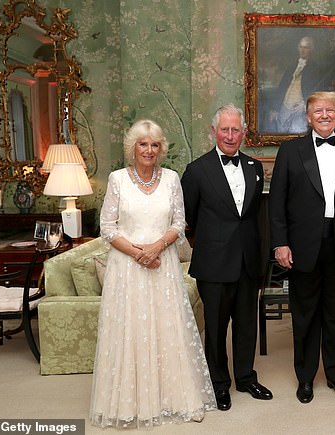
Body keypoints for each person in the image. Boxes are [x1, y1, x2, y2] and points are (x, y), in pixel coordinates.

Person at [90, 120, 216, 428]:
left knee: (167, 329)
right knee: (131, 332)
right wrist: (138, 253)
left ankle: (177, 400)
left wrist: (156, 247)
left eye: (154, 144)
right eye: (143, 144)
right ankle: (130, 404)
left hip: (164, 266)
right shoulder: (117, 179)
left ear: (161, 149)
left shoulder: (172, 179)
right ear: (132, 148)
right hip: (127, 268)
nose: (149, 150)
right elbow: (107, 228)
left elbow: (179, 224)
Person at [269, 91, 335, 404]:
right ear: (308, 116)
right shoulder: (290, 151)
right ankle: (305, 378)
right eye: (318, 110)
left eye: (330, 109)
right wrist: (280, 243)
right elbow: (277, 203)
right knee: (304, 315)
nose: (324, 115)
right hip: (302, 246)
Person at [181, 104, 271, 411]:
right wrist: (211, 244)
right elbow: (188, 217)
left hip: (247, 260)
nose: (230, 136)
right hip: (214, 262)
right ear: (213, 131)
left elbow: (254, 215)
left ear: (243, 133)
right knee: (216, 329)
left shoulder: (254, 168)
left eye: (236, 130)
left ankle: (246, 377)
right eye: (225, 129)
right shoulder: (196, 170)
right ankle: (218, 383)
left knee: (247, 326)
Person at [266, 36, 335, 134]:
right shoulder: (292, 66)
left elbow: (317, 91)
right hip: (285, 107)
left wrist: (305, 104)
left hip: (301, 110)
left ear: (311, 50)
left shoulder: (315, 68)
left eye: (306, 48)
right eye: (301, 47)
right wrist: (275, 109)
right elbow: (282, 87)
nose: (302, 50)